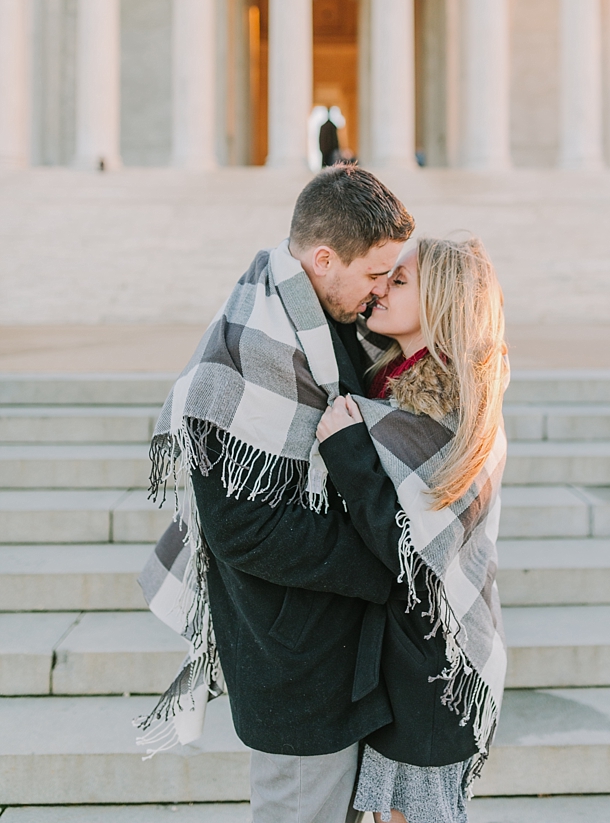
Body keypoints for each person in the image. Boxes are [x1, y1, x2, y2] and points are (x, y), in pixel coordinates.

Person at [138, 165, 416, 823]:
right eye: (376, 272)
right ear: (324, 259)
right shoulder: (241, 353)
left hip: (335, 654)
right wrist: (386, 565)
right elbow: (241, 529)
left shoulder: (318, 320)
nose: (382, 289)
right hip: (295, 665)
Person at [315, 236, 510, 823]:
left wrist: (349, 453)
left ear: (442, 302)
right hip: (394, 652)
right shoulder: (387, 381)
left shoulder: (451, 402)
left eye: (399, 281)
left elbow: (410, 550)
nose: (381, 288)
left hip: (431, 662)